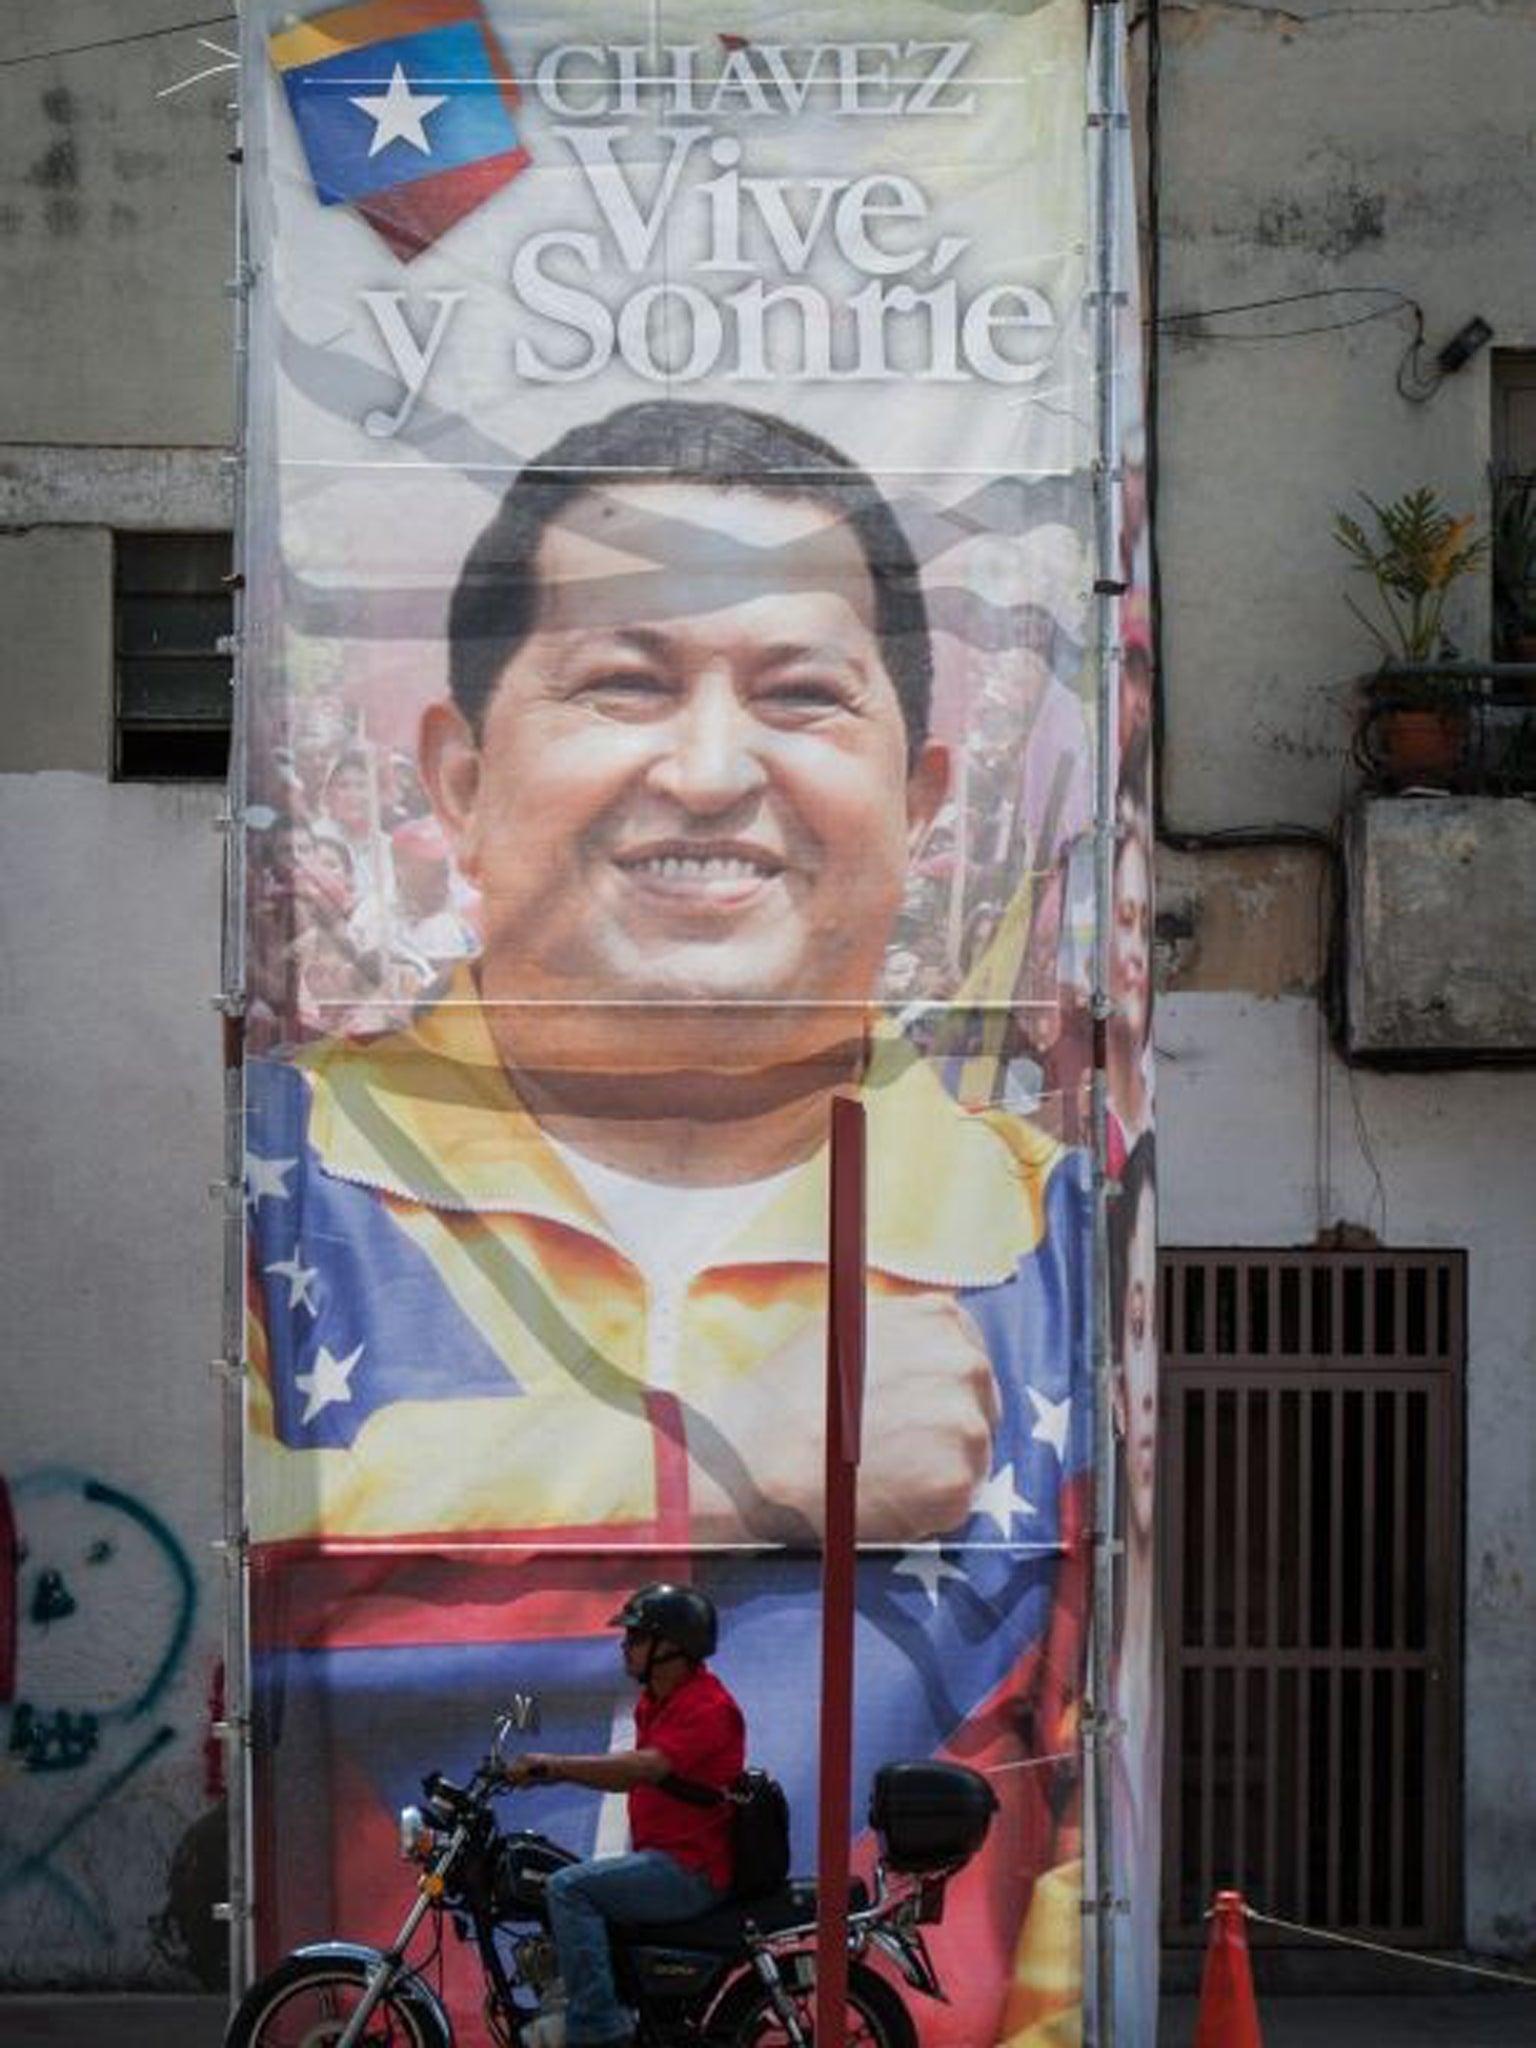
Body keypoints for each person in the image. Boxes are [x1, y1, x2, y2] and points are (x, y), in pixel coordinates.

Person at [246, 401, 1090, 2045]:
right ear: (460, 777)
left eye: (799, 696)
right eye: (626, 683)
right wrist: (695, 1461)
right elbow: (264, 1607)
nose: (711, 771)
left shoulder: (1049, 1223)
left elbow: (1086, 1783)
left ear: (919, 803)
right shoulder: (295, 1160)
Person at [504, 1584, 744, 2048]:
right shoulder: (656, 1702)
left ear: (672, 1645)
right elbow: (634, 1776)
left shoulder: (707, 1706)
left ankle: (597, 2029)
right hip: (663, 1859)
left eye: (635, 1637)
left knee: (568, 1887)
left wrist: (553, 1766)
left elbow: (644, 1769)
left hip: (689, 1870)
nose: (625, 1646)